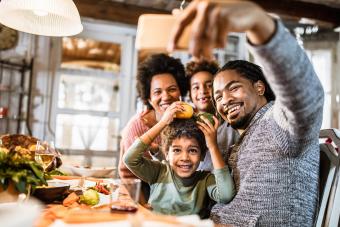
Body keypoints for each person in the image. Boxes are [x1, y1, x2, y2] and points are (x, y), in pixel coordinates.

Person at [168, 1, 324, 226]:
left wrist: (260, 25)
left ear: (259, 87)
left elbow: (306, 94)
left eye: (233, 88)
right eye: (218, 96)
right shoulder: (246, 136)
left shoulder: (279, 123)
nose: (225, 100)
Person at [123, 102, 235, 218]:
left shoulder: (205, 180)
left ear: (202, 155)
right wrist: (163, 122)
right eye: (177, 150)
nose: (185, 158)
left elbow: (226, 195)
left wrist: (213, 146)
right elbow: (129, 159)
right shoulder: (159, 172)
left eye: (192, 150)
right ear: (166, 154)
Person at [118, 53, 188, 202]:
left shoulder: (188, 120)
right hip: (150, 199)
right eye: (157, 92)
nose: (166, 97)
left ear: (180, 91)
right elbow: (128, 174)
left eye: (172, 89)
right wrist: (143, 207)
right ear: (148, 98)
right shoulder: (137, 127)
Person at [185, 60, 238, 171]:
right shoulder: (184, 127)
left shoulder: (232, 125)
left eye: (209, 86)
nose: (203, 91)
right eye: (196, 87)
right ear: (190, 94)